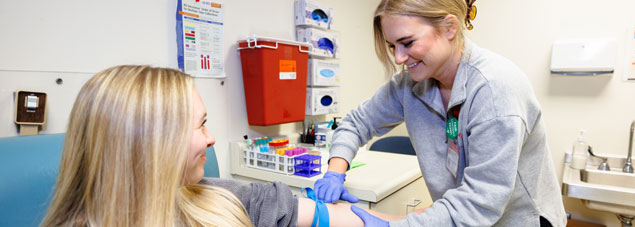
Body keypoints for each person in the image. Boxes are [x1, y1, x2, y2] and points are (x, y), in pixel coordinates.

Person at [41, 65, 399, 227]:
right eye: (200, 124)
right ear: (150, 145)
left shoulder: (215, 196)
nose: (211, 139)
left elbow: (332, 218)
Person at [314, 0, 567, 226]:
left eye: (407, 43)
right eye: (392, 46)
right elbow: (356, 123)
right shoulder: (409, 85)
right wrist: (336, 171)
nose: (399, 58)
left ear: (449, 27)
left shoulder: (495, 90)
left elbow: (480, 203)